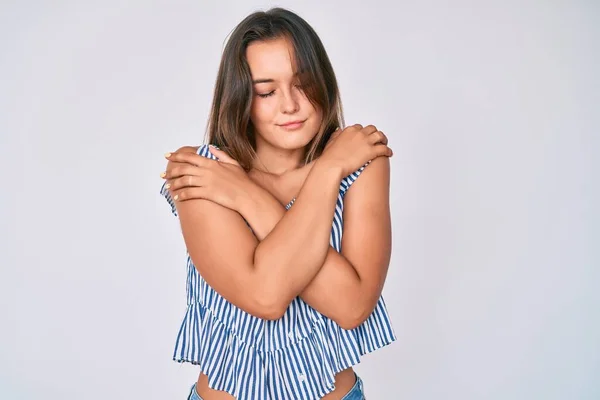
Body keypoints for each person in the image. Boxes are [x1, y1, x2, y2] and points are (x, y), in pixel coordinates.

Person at [159, 7, 396, 400]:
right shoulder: (202, 169)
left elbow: (353, 306)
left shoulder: (360, 162)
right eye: (266, 92)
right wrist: (323, 174)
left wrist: (254, 193)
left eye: (302, 85)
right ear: (240, 99)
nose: (290, 105)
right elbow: (265, 296)